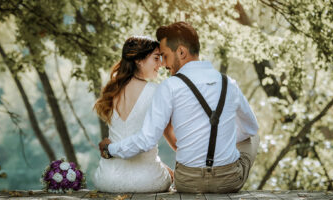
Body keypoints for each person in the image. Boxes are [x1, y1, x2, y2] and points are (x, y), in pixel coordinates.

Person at [98, 22, 260, 193]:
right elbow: (250, 128)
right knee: (252, 136)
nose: (164, 64)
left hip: (187, 182)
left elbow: (147, 139)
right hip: (228, 181)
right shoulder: (230, 84)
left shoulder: (169, 87)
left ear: (181, 52)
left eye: (165, 56)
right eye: (158, 57)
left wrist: (111, 148)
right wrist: (223, 144)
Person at [93, 36, 175, 193]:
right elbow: (150, 141)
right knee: (168, 175)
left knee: (163, 169)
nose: (161, 64)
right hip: (147, 181)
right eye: (156, 58)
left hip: (107, 179)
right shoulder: (156, 91)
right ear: (138, 60)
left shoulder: (111, 91)